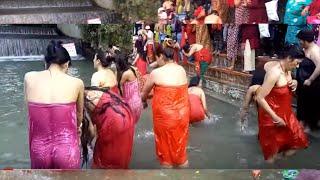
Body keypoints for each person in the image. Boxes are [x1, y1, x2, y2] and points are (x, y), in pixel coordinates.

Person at [24, 41, 84, 169]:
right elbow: (79, 116)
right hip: (67, 150)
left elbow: (29, 114)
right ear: (66, 64)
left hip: (38, 149)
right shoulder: (77, 83)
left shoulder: (28, 78)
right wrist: (78, 128)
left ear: (46, 62)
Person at [255, 45, 308, 163]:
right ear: (289, 58)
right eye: (297, 62)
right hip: (272, 117)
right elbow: (259, 97)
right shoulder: (274, 73)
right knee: (271, 156)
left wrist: (295, 82)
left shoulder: (288, 70)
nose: (297, 66)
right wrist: (275, 117)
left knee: (297, 142)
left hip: (286, 114)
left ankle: (278, 162)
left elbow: (288, 85)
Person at [141, 45, 190, 168]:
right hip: (183, 114)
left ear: (161, 56)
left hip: (166, 117)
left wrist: (144, 101)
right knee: (180, 150)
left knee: (166, 154)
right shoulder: (182, 70)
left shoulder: (156, 73)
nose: (156, 62)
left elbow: (144, 94)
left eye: (156, 58)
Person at [81, 86, 134, 169]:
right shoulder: (93, 91)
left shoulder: (81, 100)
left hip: (114, 121)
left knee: (104, 163)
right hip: (126, 114)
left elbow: (91, 131)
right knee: (120, 156)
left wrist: (88, 144)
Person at [296, 29, 320, 131]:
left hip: (312, 85)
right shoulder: (305, 49)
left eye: (300, 40)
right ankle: (302, 124)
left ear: (306, 40)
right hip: (303, 84)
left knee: (309, 107)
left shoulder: (314, 51)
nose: (299, 42)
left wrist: (310, 79)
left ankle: (307, 127)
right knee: (302, 105)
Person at [115, 54, 143, 124]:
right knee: (133, 123)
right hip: (138, 101)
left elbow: (118, 85)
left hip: (131, 103)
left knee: (129, 124)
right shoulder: (133, 69)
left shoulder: (126, 74)